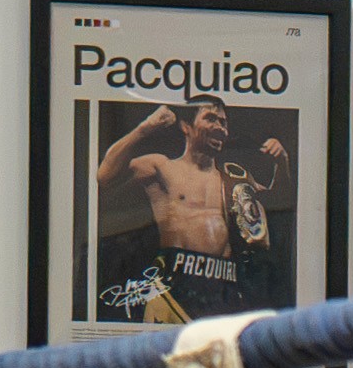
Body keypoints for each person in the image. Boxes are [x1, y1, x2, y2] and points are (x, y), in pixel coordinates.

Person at [91, 98, 282, 326]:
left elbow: (278, 206)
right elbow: (105, 176)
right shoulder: (162, 167)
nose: (220, 127)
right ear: (186, 126)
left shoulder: (234, 179)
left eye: (223, 122)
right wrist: (145, 127)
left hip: (224, 288)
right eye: (210, 119)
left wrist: (282, 161)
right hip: (175, 286)